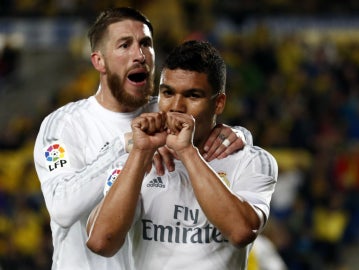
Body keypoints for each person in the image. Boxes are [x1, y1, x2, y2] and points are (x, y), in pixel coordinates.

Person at [33, 7, 249, 270]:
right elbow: (62, 208)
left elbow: (211, 123)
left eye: (145, 44)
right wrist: (122, 147)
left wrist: (238, 134)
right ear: (98, 61)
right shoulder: (66, 125)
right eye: (125, 45)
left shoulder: (167, 110)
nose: (139, 55)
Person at [86, 40, 278, 269]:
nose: (176, 106)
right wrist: (140, 153)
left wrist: (187, 151)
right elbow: (100, 243)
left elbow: (241, 231)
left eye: (193, 96)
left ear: (218, 103)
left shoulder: (252, 161)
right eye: (168, 93)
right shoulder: (136, 160)